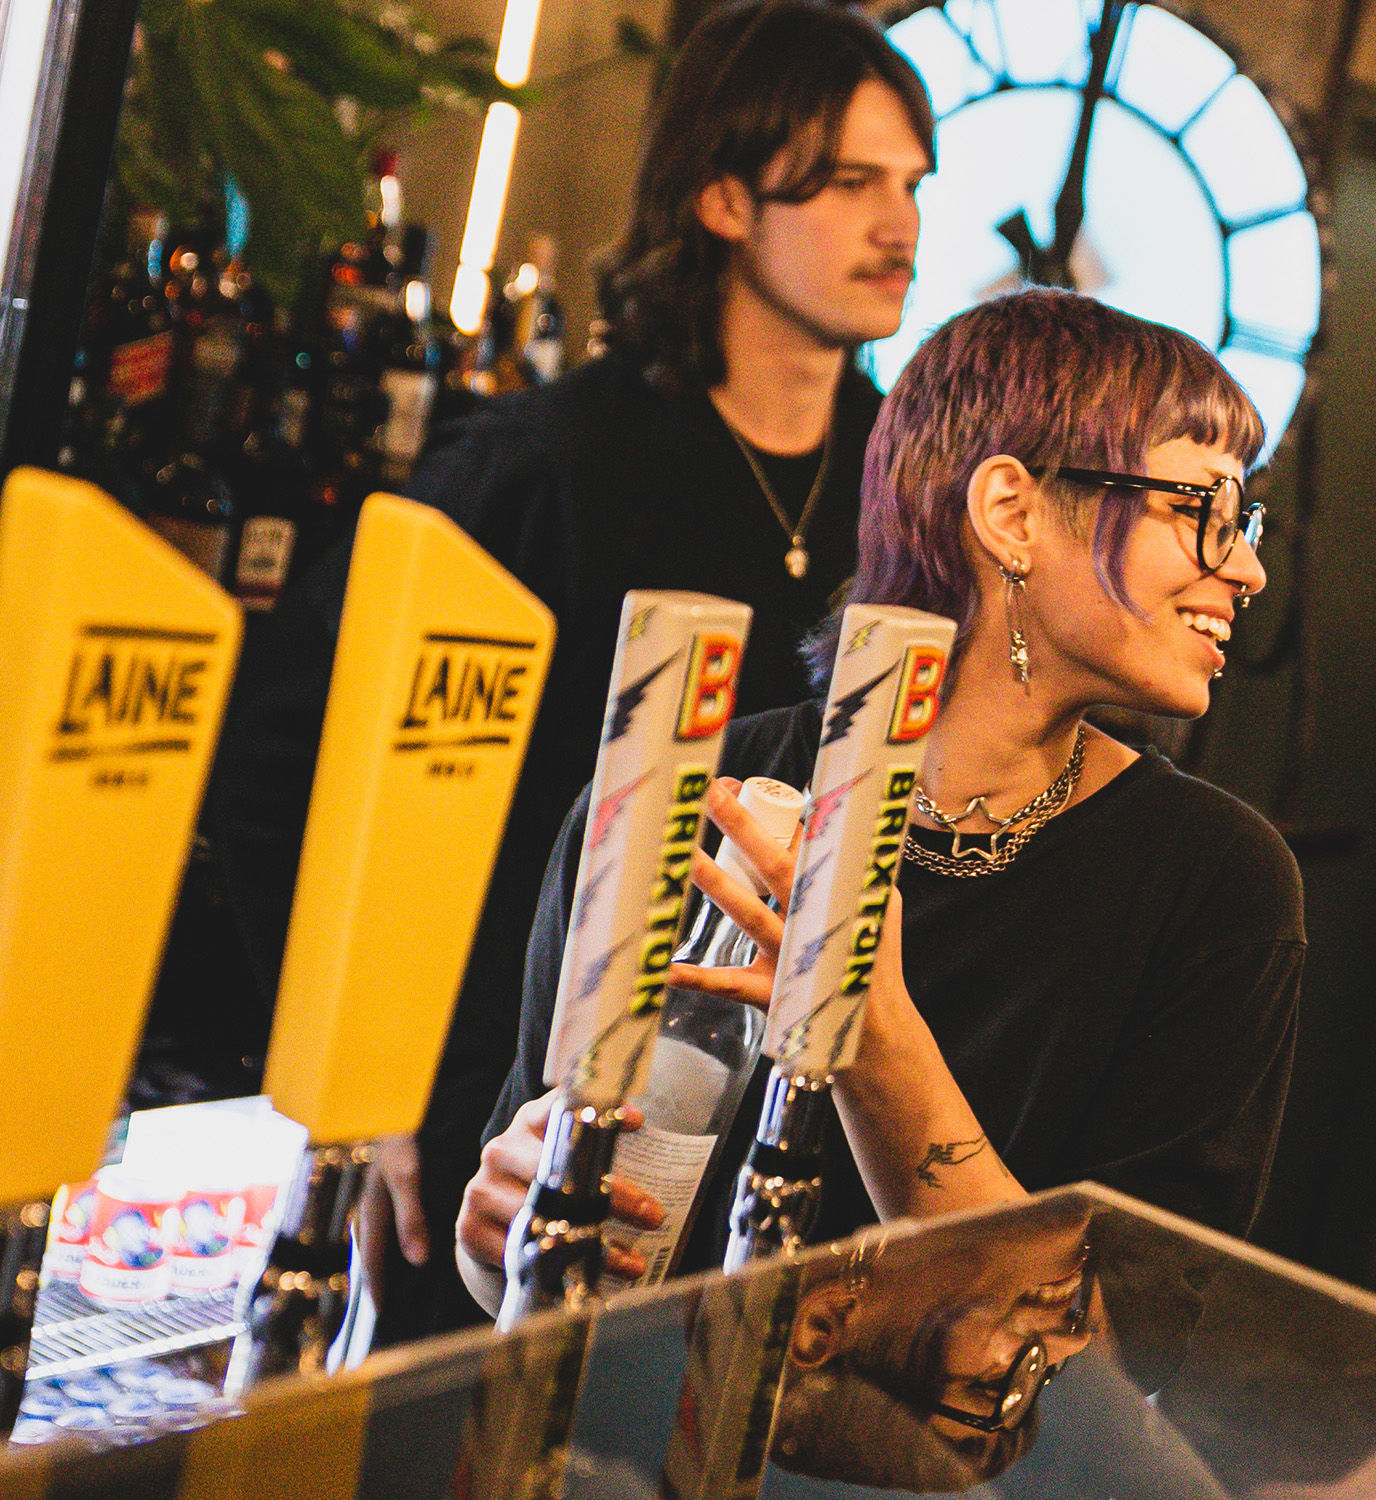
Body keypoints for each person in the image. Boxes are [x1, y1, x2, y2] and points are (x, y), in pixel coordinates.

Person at [195, 0, 934, 1343]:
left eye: (910, 185)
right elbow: (282, 769)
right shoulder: (545, 465)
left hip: (770, 1149)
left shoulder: (907, 493)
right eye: (847, 185)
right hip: (489, 1126)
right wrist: (376, 1085)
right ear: (721, 197)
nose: (900, 227)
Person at [459, 290, 1305, 1305]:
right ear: (1010, 513)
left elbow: (1110, 1356)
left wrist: (864, 1018)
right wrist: (497, 1232)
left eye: (1240, 516)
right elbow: (533, 1240)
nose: (1246, 567)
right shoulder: (696, 793)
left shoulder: (1215, 886)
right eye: (1200, 509)